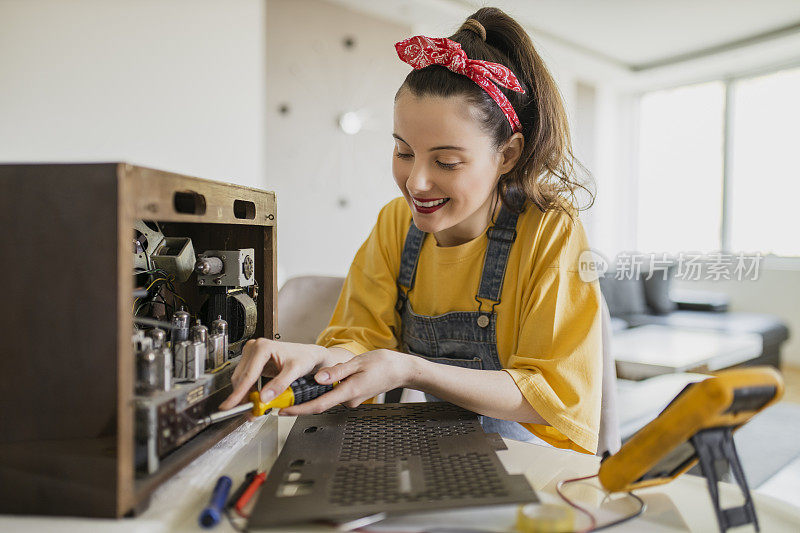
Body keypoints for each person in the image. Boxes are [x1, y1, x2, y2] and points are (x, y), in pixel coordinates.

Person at [220, 7, 603, 454]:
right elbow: (360, 338)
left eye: (446, 162)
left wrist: (411, 369)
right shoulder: (395, 223)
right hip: (439, 448)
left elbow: (552, 396)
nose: (416, 182)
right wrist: (322, 360)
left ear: (509, 155)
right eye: (403, 152)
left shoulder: (549, 229)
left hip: (532, 461)